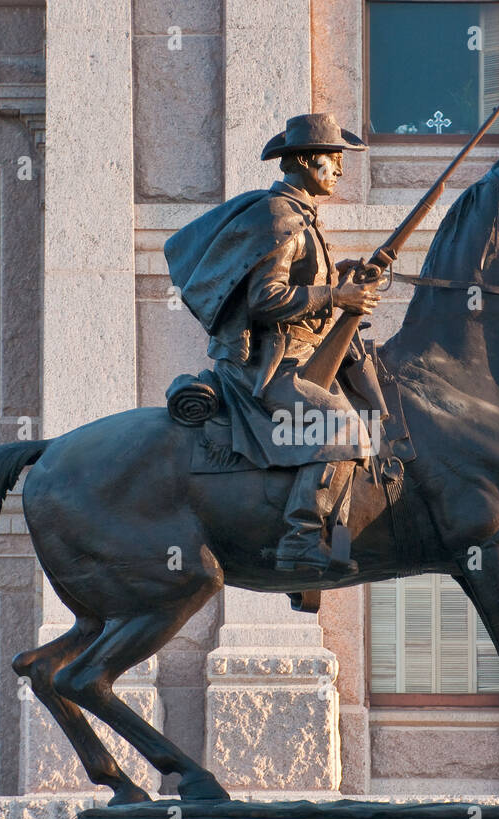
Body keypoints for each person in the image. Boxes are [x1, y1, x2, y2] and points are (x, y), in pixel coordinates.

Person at [164, 114, 382, 576]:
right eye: (334, 158)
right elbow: (266, 300)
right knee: (345, 429)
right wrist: (336, 296)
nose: (340, 169)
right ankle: (300, 538)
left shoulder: (300, 215)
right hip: (270, 368)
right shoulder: (279, 216)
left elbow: (297, 283)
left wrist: (337, 276)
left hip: (302, 355)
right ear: (306, 159)